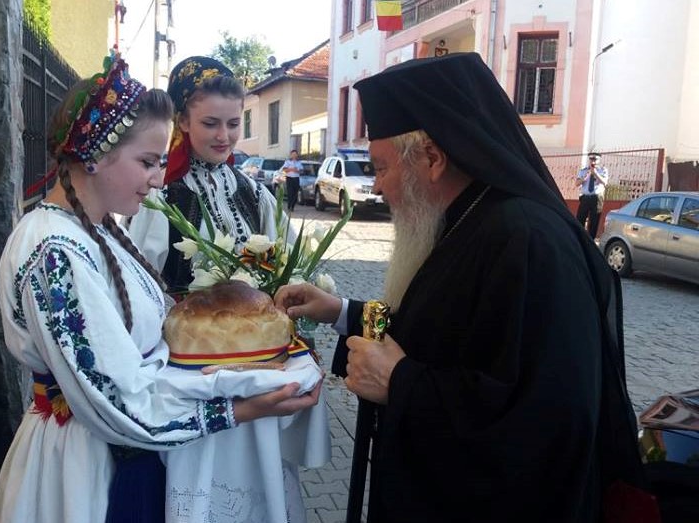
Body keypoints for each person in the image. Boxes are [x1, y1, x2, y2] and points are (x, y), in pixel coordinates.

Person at [275, 53, 656, 522]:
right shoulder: (462, 219)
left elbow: (549, 420)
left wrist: (402, 384)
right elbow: (439, 334)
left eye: (381, 168)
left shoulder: (529, 239)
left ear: (432, 158)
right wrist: (339, 311)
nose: (379, 188)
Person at [0, 53, 321, 523]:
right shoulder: (53, 251)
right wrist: (238, 409)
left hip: (123, 453)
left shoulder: (97, 232)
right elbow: (117, 399)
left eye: (161, 162)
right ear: (95, 153)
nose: (157, 177)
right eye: (148, 161)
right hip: (83, 471)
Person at [127, 56, 287, 296]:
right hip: (184, 332)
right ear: (183, 121)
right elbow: (136, 286)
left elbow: (287, 262)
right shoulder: (160, 196)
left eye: (233, 124)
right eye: (210, 124)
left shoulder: (256, 194)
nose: (223, 136)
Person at [575, 152, 609, 240]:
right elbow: (577, 184)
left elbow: (604, 182)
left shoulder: (603, 170)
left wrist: (595, 173)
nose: (593, 161)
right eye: (591, 159)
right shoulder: (584, 170)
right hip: (585, 197)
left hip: (596, 198)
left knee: (594, 221)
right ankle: (579, 238)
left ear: (599, 160)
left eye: (595, 159)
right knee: (580, 219)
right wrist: (584, 178)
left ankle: (590, 240)